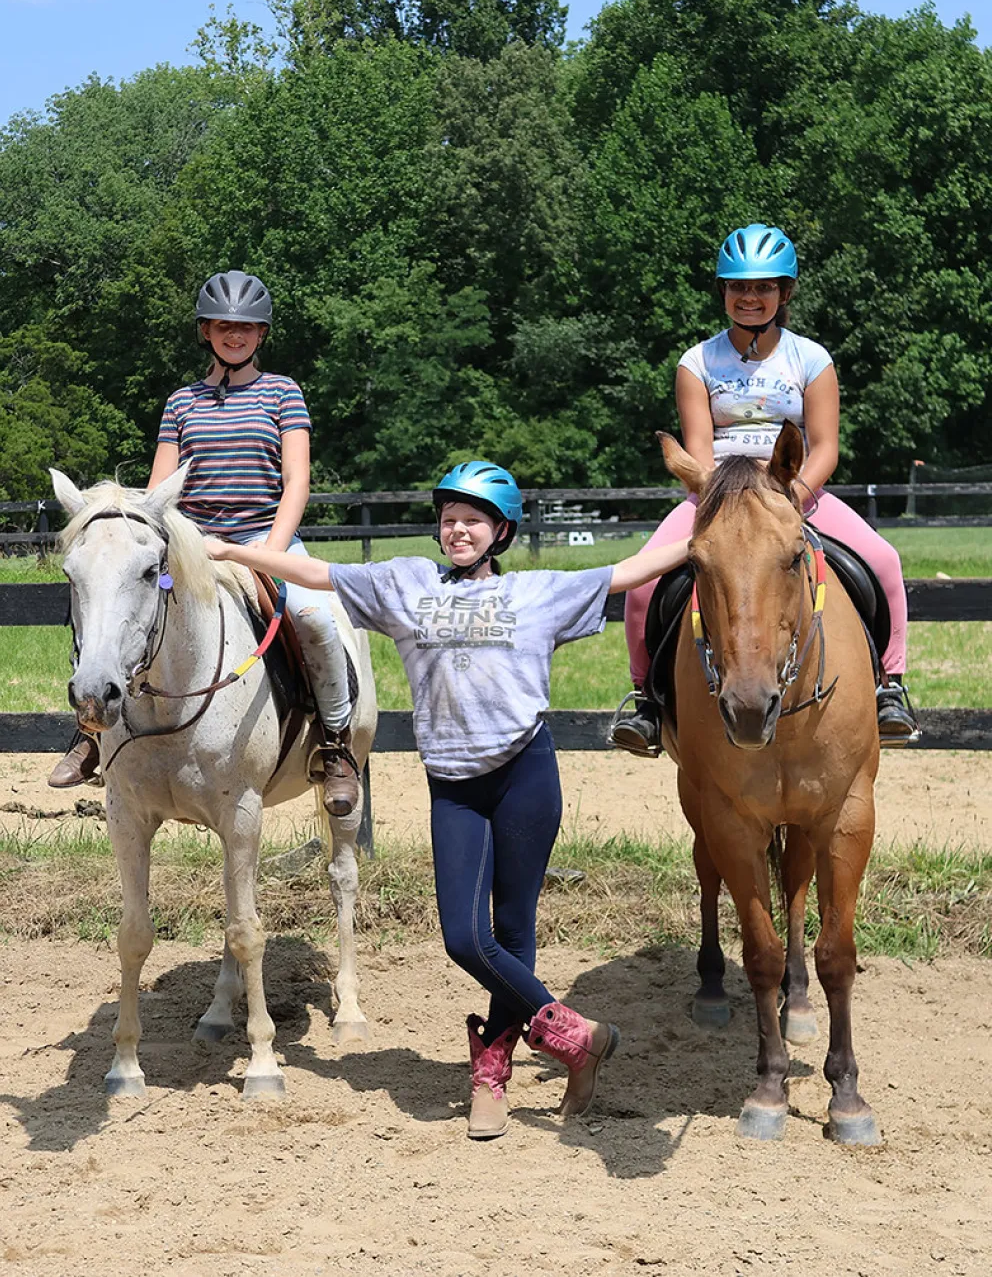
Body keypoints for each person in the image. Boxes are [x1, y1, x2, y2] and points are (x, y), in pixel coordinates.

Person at [204, 459, 688, 1139]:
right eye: (449, 519)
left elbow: (630, 572)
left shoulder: (539, 591)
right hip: (455, 786)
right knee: (464, 935)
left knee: (513, 931)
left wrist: (704, 535)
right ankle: (576, 1036)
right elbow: (317, 575)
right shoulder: (405, 583)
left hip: (525, 775)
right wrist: (228, 550)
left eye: (473, 520)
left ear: (501, 530)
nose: (457, 530)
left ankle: (491, 1070)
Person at [49, 270, 359, 815]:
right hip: (193, 542)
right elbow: (158, 493)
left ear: (261, 334)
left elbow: (297, 481)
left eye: (244, 327)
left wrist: (274, 553)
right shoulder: (182, 403)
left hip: (266, 534)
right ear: (206, 332)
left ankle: (335, 747)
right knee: (120, 608)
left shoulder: (283, 393)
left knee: (314, 618)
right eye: (222, 326)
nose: (233, 335)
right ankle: (93, 730)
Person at [611, 223, 919, 755]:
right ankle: (646, 702)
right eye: (738, 287)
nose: (749, 297)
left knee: (884, 560)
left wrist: (790, 496)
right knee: (641, 587)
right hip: (717, 495)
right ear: (723, 292)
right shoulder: (697, 363)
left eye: (763, 288)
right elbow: (699, 447)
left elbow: (824, 446)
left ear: (784, 292)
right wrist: (723, 500)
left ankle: (889, 687)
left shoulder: (811, 359)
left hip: (793, 490)